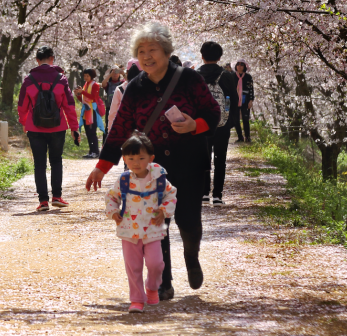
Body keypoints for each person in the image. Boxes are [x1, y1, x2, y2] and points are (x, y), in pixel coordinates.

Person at [85, 22, 219, 302]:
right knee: (159, 224)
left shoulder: (191, 79)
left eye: (152, 49)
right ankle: (163, 282)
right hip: (154, 169)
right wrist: (102, 166)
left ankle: (192, 257)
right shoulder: (135, 88)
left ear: (166, 51)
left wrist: (196, 124)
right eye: (141, 51)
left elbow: (214, 113)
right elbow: (120, 129)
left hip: (191, 161)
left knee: (189, 221)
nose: (146, 56)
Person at [105, 132, 177, 313]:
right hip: (129, 230)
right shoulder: (123, 180)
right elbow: (111, 198)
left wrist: (163, 210)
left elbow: (171, 194)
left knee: (156, 264)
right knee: (133, 266)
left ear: (151, 158)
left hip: (153, 229)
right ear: (124, 159)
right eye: (131, 158)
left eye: (141, 158)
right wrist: (113, 212)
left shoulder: (159, 178)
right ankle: (136, 299)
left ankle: (152, 287)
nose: (136, 162)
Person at [18, 46, 80, 211]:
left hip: (35, 128)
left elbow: (22, 105)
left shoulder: (29, 79)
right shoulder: (61, 79)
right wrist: (74, 128)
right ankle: (57, 197)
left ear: (37, 60)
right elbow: (69, 105)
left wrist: (24, 122)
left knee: (39, 164)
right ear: (52, 59)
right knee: (56, 161)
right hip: (57, 127)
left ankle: (43, 201)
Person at [197, 41, 237, 206]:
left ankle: (204, 193)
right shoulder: (227, 75)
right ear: (220, 57)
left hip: (200, 124)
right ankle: (217, 195)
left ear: (202, 56)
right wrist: (230, 122)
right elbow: (234, 100)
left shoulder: (195, 75)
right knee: (220, 159)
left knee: (202, 158)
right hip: (222, 123)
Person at [76, 68, 105, 159]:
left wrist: (82, 92)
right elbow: (83, 99)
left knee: (92, 132)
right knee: (88, 132)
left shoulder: (95, 85)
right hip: (86, 110)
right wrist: (78, 94)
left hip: (92, 111)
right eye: (84, 76)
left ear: (92, 76)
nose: (85, 77)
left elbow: (93, 97)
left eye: (87, 76)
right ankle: (91, 151)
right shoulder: (85, 85)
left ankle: (96, 151)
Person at [107, 60, 140, 132]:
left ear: (127, 72)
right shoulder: (150, 87)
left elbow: (113, 114)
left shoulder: (120, 89)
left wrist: (110, 131)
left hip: (124, 129)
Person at [230, 60, 255, 143]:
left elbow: (251, 89)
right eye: (238, 65)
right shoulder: (232, 76)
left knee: (245, 119)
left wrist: (251, 100)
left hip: (246, 100)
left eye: (242, 65)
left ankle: (247, 137)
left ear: (245, 67)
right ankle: (240, 137)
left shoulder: (248, 77)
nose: (239, 66)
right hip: (234, 100)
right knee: (236, 119)